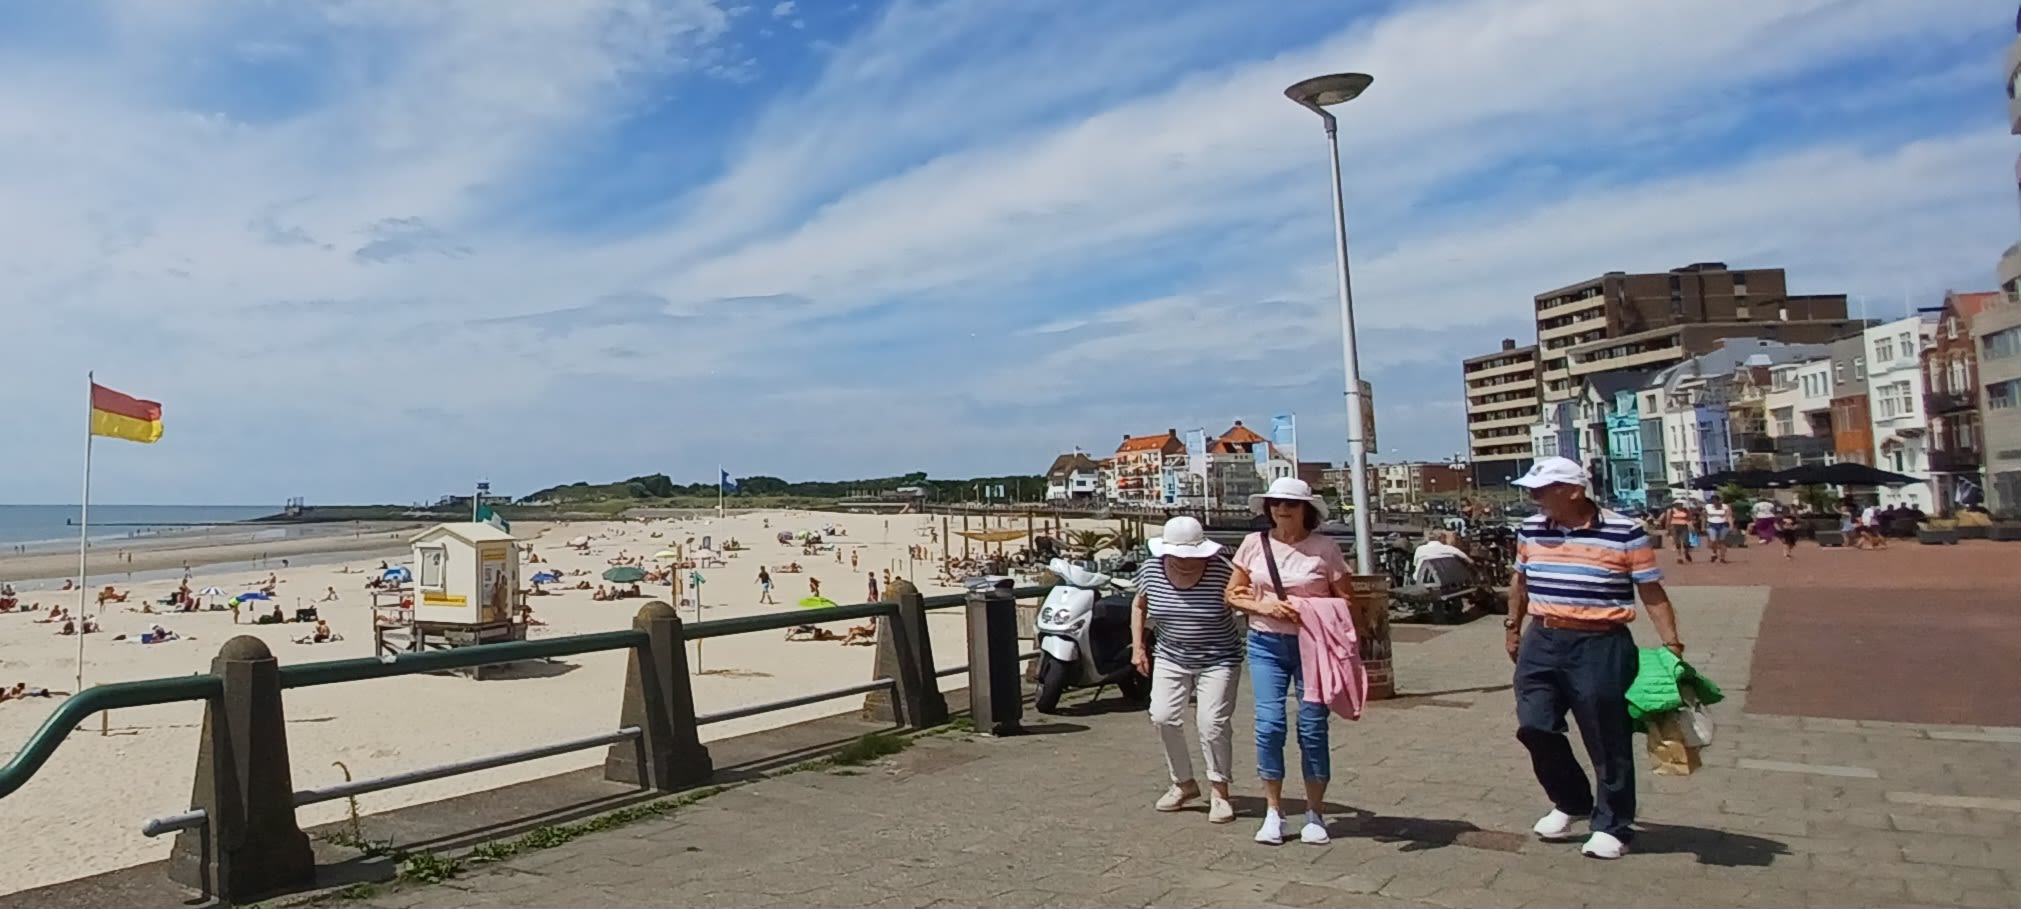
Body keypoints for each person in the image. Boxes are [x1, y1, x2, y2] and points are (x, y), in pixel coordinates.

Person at [1506, 457, 1685, 860]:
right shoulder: (1532, 528)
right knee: (1535, 725)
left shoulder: (1625, 531)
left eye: (1542, 489)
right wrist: (1512, 627)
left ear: (1574, 490)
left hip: (1600, 642)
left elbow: (1650, 591)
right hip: (1544, 636)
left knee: (1606, 736)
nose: (1533, 497)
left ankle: (1613, 823)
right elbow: (1521, 579)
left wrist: (1672, 644)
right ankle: (1571, 800)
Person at [1225, 477, 1361, 846]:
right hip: (1265, 642)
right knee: (1269, 725)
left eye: (1291, 504)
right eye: (1275, 503)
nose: (1282, 509)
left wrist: (1304, 608)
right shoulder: (1254, 544)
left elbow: (1346, 602)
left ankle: (1315, 812)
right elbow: (1232, 594)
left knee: (1313, 727)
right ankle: (1274, 810)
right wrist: (1264, 605)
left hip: (1312, 647)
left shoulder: (1325, 548)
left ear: (1306, 510)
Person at [1130, 516, 1241, 825]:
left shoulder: (1222, 570)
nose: (1184, 562)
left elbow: (1241, 601)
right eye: (1177, 557)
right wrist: (1139, 647)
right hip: (1171, 654)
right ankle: (1183, 783)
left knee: (1211, 723)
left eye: (1191, 557)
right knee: (1163, 716)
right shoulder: (1151, 569)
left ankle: (1220, 790)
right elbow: (1139, 606)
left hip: (1219, 656)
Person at [1701, 496, 1733, 564]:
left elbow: (1729, 516)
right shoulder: (1708, 507)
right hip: (1712, 524)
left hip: (1723, 524)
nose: (1714, 503)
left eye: (1715, 501)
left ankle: (1722, 557)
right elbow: (1704, 516)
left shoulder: (1725, 506)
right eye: (1713, 501)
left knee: (1722, 541)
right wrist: (1703, 526)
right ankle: (1714, 552)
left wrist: (1731, 525)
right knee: (1713, 540)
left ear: (1719, 501)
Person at [1661, 500, 1694, 564]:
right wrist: (1668, 529)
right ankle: (1679, 556)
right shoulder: (1671, 511)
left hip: (1684, 527)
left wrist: (1692, 527)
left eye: (1681, 504)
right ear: (1675, 505)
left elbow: (1689, 519)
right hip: (1675, 527)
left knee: (1685, 541)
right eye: (1678, 504)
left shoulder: (1686, 510)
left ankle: (1686, 553)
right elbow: (1668, 520)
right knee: (1677, 542)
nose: (1680, 505)